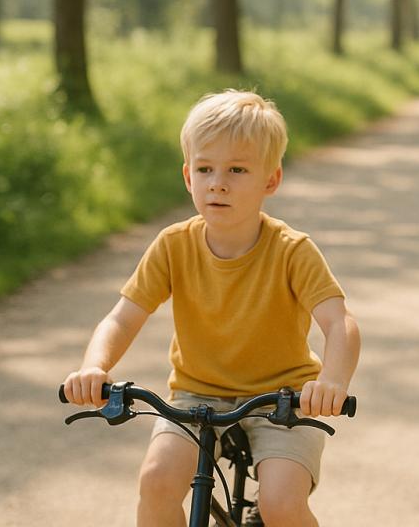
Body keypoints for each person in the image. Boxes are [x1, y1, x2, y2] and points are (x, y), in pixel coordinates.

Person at [61, 90, 361, 527]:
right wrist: (94, 367)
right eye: (205, 169)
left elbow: (339, 322)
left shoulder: (292, 251)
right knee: (156, 482)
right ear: (188, 176)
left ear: (271, 180)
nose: (217, 183)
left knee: (280, 504)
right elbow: (123, 316)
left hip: (282, 399)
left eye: (237, 169)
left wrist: (332, 381)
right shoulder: (173, 245)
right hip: (195, 395)